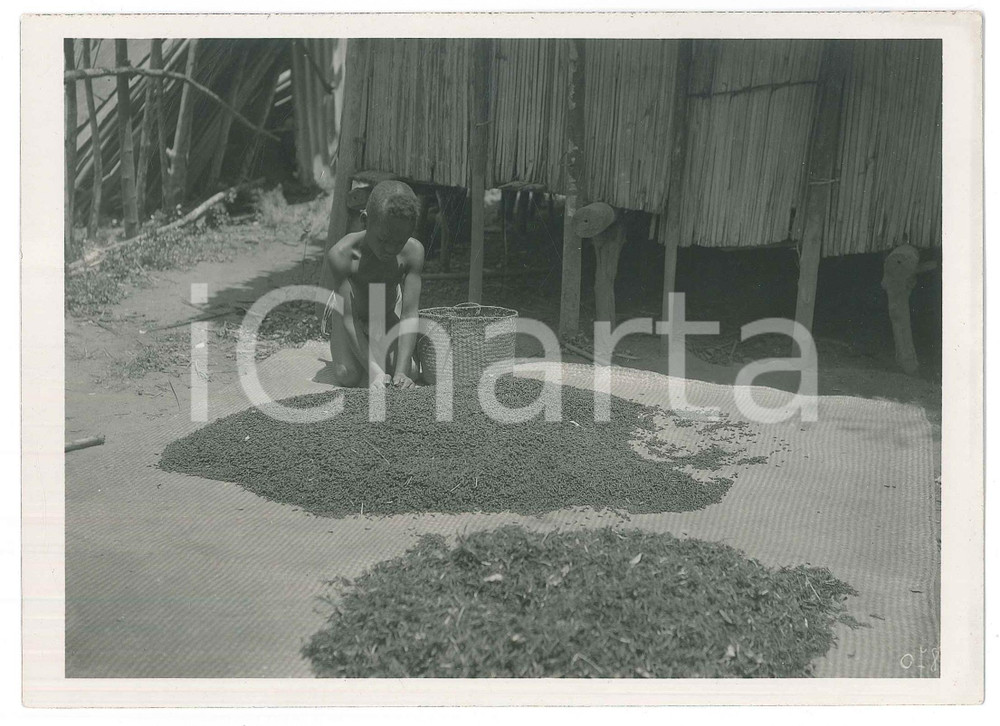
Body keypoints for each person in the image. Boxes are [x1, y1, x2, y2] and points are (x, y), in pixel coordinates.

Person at [322, 180, 425, 389]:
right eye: (383, 239)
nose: (389, 249)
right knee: (348, 374)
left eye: (399, 242)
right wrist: (376, 372)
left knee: (411, 370)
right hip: (349, 311)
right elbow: (349, 318)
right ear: (364, 220)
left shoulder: (413, 252)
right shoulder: (343, 255)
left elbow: (409, 313)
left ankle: (379, 350)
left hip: (381, 307)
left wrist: (401, 373)